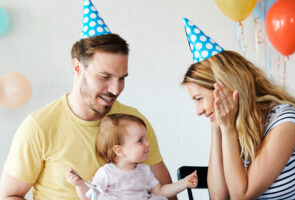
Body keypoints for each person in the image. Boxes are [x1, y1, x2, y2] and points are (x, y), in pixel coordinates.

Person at [0, 1, 176, 199]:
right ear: (77, 68)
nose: (115, 89)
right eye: (104, 77)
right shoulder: (38, 127)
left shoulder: (134, 121)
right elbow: (9, 195)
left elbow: (167, 193)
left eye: (122, 78)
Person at [181, 17, 295, 200]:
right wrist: (217, 128)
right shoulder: (235, 124)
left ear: (226, 87)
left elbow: (241, 196)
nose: (198, 110)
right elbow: (218, 197)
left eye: (199, 99)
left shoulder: (285, 121)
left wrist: (227, 129)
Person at [66, 114, 198, 200]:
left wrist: (184, 183)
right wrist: (79, 185)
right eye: (140, 140)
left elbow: (161, 191)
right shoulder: (107, 172)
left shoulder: (144, 171)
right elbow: (91, 197)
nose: (147, 143)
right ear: (119, 150)